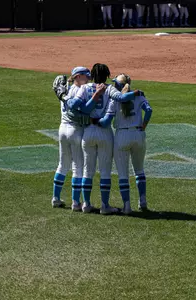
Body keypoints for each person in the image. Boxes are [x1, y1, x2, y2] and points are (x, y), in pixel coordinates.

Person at [69, 63, 140, 215]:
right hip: (105, 133)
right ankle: (104, 205)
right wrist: (135, 93)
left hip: (88, 132)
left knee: (88, 170)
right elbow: (120, 97)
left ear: (92, 75)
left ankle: (86, 204)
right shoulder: (109, 88)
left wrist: (83, 111)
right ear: (107, 76)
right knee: (105, 172)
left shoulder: (85, 88)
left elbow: (75, 104)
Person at [103, 74, 153, 214]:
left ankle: (127, 207)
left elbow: (108, 118)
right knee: (139, 170)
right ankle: (142, 201)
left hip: (122, 135)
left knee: (123, 174)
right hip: (138, 134)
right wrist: (143, 125)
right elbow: (149, 110)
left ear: (117, 86)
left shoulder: (115, 100)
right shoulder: (139, 95)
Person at [51, 67, 91, 211]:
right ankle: (75, 202)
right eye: (87, 77)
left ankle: (55, 198)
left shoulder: (65, 90)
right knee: (78, 167)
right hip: (75, 130)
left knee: (62, 164)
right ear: (78, 77)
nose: (89, 80)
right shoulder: (79, 90)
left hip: (62, 129)